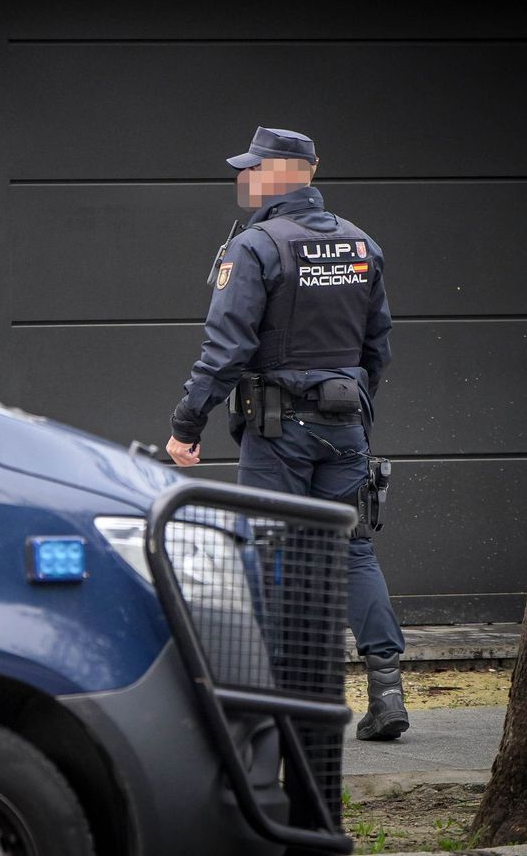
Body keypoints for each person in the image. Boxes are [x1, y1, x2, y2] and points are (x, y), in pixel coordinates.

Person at [165, 126, 409, 741]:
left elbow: (225, 349)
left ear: (286, 173)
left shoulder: (256, 248)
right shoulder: (362, 245)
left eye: (253, 169)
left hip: (277, 431)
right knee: (352, 550)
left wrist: (185, 427)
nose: (244, 179)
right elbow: (377, 347)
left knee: (269, 552)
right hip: (345, 423)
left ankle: (276, 704)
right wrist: (350, 405)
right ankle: (387, 693)